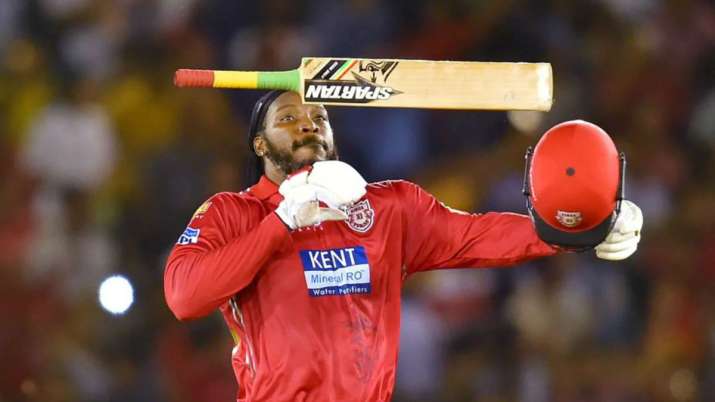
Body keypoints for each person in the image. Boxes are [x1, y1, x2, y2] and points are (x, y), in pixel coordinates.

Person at [163, 90, 642, 402]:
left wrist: (577, 231)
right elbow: (184, 296)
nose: (308, 124)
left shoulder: (388, 208)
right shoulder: (234, 213)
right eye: (287, 118)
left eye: (319, 117)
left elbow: (477, 235)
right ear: (260, 145)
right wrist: (282, 221)